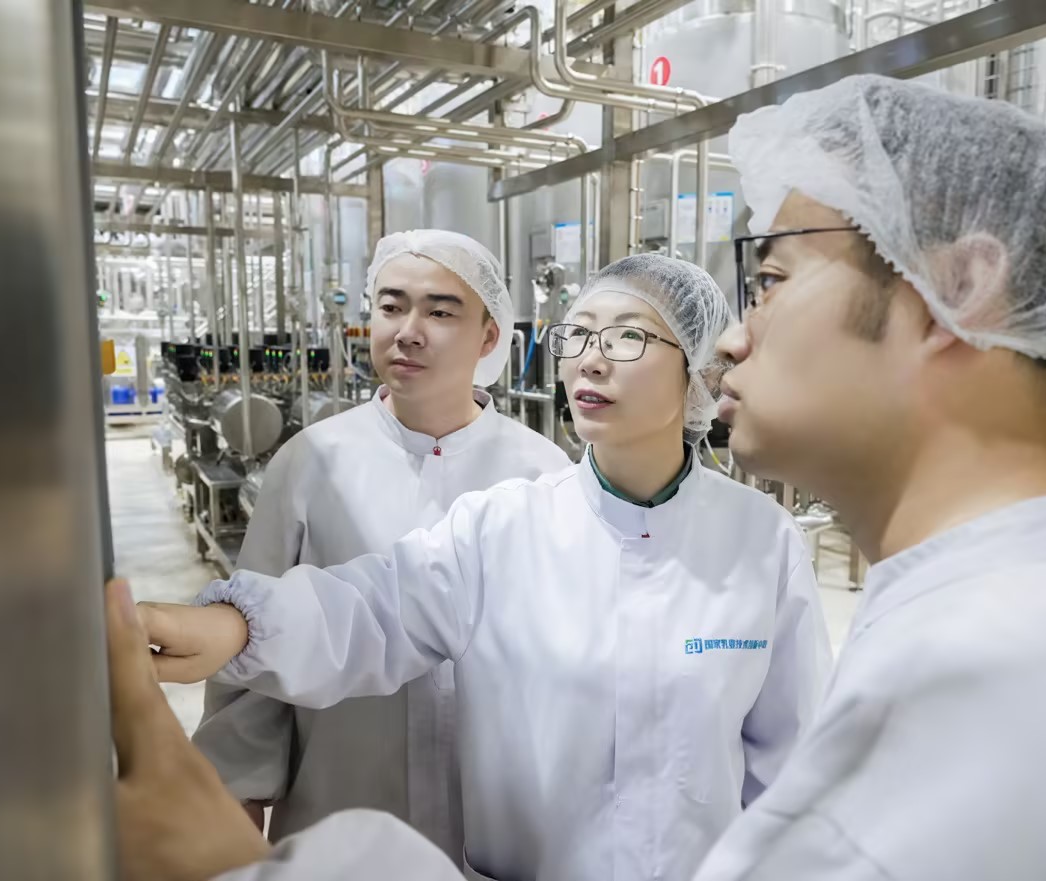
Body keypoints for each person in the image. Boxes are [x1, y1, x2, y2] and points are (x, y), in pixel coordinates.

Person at [112, 74, 1046, 881]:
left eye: (771, 277)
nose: (735, 336)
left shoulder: (1015, 676)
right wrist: (235, 623)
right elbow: (382, 603)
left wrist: (242, 867)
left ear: (957, 289)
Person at [139, 253, 832, 881]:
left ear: (699, 369)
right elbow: (369, 609)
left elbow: (793, 762)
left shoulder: (760, 541)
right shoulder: (503, 524)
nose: (590, 361)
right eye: (578, 335)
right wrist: (233, 625)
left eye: (627, 337)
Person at [192, 229, 571, 856]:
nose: (408, 331)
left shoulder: (542, 472)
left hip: (496, 820)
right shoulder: (311, 460)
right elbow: (251, 640)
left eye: (440, 312)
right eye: (391, 307)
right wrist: (235, 792)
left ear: (488, 337)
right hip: (340, 804)